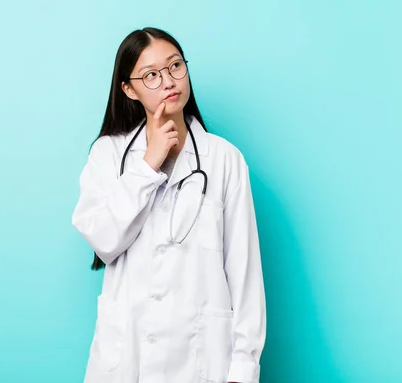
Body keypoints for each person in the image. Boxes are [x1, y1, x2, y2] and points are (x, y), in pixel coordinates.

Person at [71, 27, 266, 383]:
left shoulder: (224, 159)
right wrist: (148, 165)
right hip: (125, 361)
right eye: (151, 75)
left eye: (176, 66)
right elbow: (103, 240)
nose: (168, 81)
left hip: (201, 361)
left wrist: (243, 369)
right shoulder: (108, 154)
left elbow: (244, 272)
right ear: (129, 89)